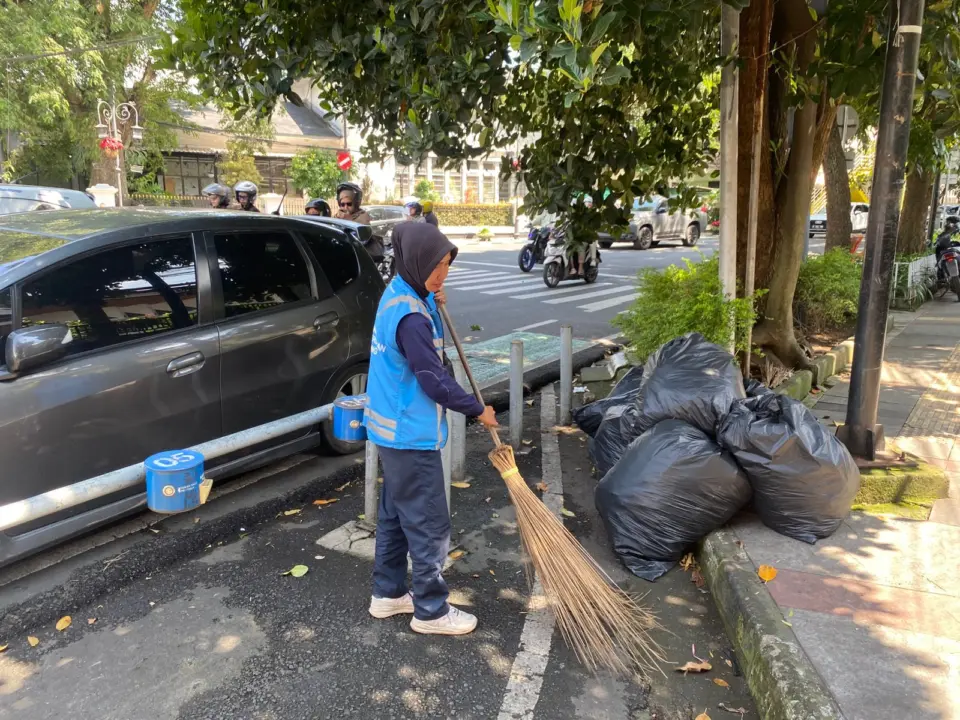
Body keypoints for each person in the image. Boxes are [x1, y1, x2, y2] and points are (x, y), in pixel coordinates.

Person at [364, 222, 499, 636]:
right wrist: (478, 409)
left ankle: (387, 595)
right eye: (437, 267)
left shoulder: (401, 294)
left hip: (390, 431)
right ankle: (431, 611)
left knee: (394, 516)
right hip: (410, 434)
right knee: (428, 525)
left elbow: (425, 351)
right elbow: (433, 379)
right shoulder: (412, 318)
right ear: (417, 261)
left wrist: (432, 298)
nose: (443, 275)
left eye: (447, 266)